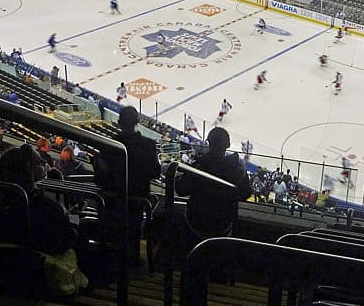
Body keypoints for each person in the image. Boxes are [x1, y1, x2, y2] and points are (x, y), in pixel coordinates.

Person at [93, 106, 161, 264]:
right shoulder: (149, 145)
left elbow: (101, 176)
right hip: (138, 199)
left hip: (113, 199)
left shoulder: (109, 145)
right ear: (137, 122)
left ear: (118, 122)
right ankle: (133, 256)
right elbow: (155, 172)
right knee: (133, 225)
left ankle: (112, 258)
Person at [175, 126, 252, 250]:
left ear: (209, 143)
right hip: (223, 223)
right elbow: (245, 193)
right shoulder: (238, 169)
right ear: (228, 145)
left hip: (196, 221)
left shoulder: (199, 166)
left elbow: (181, 189)